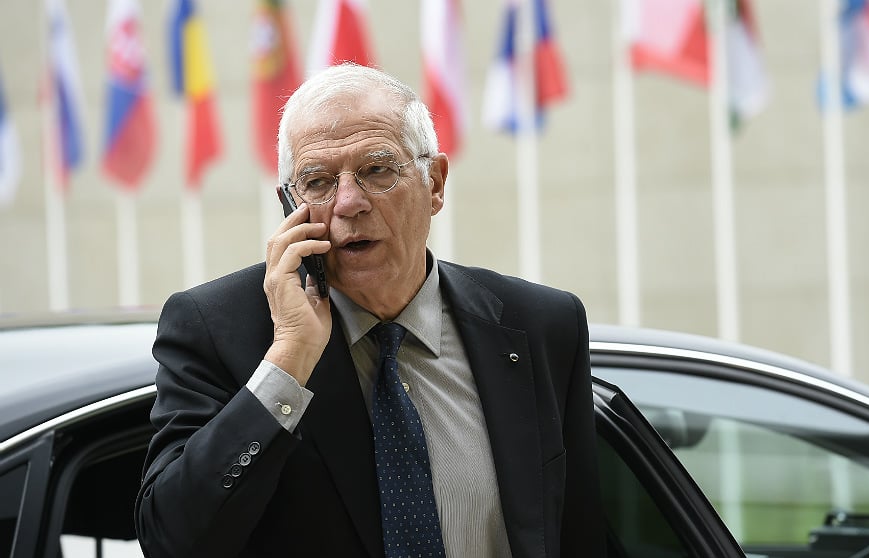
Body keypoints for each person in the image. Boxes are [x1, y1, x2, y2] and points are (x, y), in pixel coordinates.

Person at [135, 63, 605, 558]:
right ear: (288, 204)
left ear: (436, 183)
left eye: (378, 170)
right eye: (317, 181)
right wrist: (289, 359)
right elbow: (173, 542)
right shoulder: (217, 330)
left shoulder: (540, 324)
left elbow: (578, 531)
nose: (349, 202)